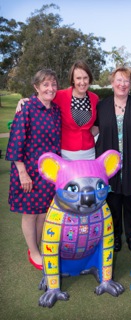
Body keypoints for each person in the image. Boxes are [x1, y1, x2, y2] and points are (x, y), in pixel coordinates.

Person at [91, 67, 131, 252]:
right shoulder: (102, 106)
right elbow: (92, 130)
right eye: (119, 80)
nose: (122, 84)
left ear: (130, 84)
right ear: (112, 82)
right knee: (113, 205)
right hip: (109, 168)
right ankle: (115, 236)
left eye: (126, 81)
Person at [5, 69, 61, 270]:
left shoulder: (55, 110)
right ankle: (34, 251)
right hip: (28, 171)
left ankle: (37, 247)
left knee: (44, 213)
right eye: (45, 84)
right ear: (36, 87)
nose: (50, 88)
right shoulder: (27, 108)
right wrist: (22, 172)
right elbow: (16, 141)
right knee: (30, 213)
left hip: (48, 173)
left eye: (53, 84)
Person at [16, 60, 99, 160]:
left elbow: (97, 123)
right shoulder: (60, 96)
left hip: (89, 152)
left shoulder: (94, 99)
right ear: (73, 80)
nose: (82, 82)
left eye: (85, 78)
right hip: (66, 153)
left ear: (89, 79)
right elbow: (42, 98)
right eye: (78, 78)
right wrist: (27, 100)